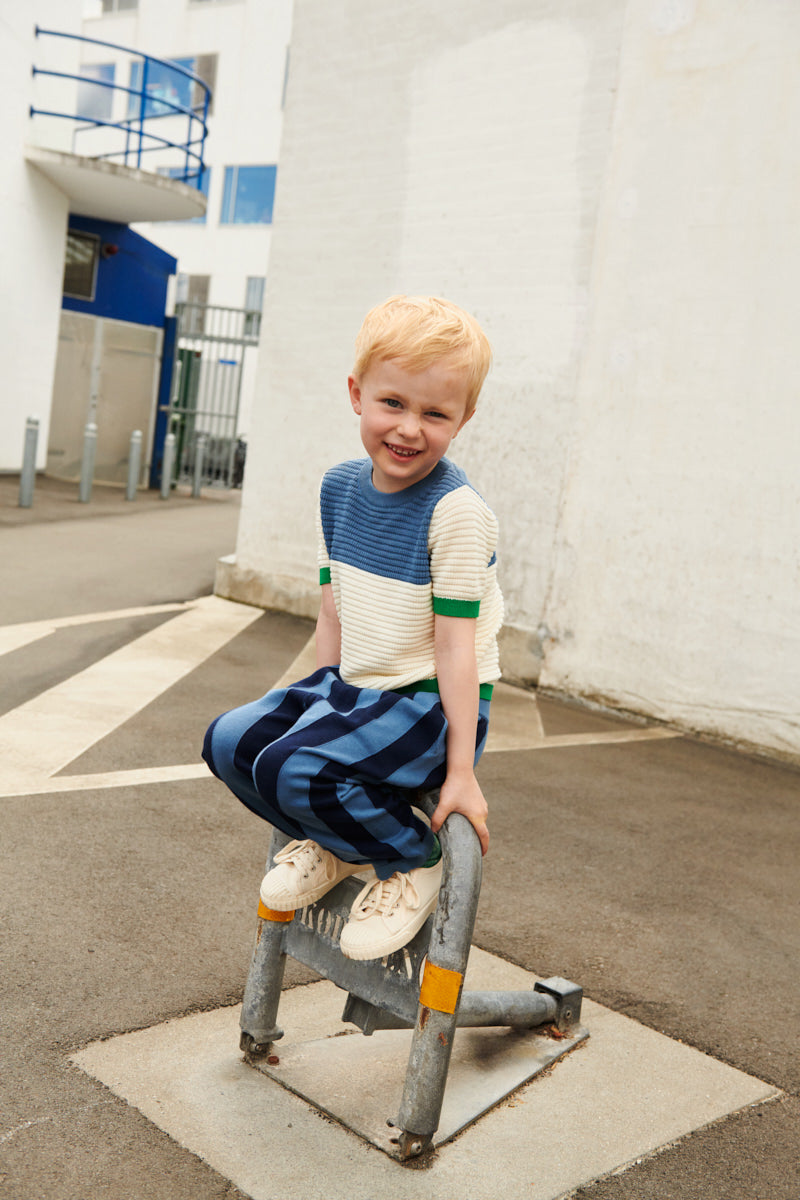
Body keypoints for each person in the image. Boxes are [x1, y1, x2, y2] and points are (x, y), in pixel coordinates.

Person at [202, 295, 503, 961]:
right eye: (393, 403)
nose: (409, 428)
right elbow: (334, 606)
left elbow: (457, 649)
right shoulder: (339, 488)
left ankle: (413, 860)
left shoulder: (455, 512)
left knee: (295, 767)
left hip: (430, 701)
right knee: (230, 742)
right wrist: (317, 695)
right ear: (357, 394)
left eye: (435, 413)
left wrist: (462, 772)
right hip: (360, 688)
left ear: (464, 419)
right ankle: (340, 845)